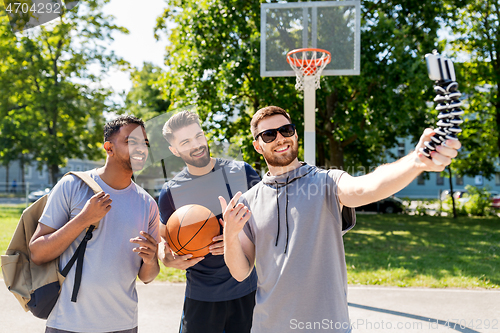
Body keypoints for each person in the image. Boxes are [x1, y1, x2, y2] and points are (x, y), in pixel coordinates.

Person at [221, 106, 461, 333]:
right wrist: (230, 236)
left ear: (295, 134)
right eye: (269, 135)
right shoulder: (248, 202)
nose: (280, 138)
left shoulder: (326, 182)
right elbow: (241, 272)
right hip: (268, 327)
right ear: (257, 146)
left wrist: (416, 161)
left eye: (286, 130)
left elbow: (368, 186)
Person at [29, 115, 160, 333]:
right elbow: (37, 252)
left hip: (123, 325)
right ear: (109, 147)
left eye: (144, 143)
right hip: (68, 324)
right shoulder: (72, 185)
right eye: (131, 141)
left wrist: (150, 260)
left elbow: (148, 277)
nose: (141, 148)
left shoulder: (147, 203)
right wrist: (84, 219)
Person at [157, 110, 260, 333]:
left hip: (247, 290)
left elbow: (269, 224)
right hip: (201, 296)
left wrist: (235, 241)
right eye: (185, 141)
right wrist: (165, 257)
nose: (196, 145)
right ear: (174, 150)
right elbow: (163, 240)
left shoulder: (243, 172)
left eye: (199, 136)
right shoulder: (170, 192)